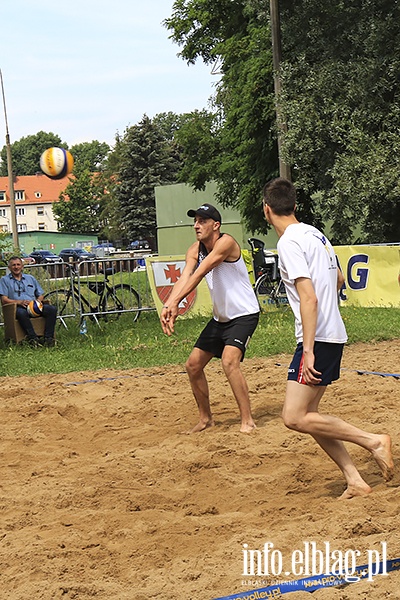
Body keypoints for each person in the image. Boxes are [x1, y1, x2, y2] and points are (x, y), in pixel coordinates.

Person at [262, 177, 394, 498]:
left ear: (267, 210)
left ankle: (373, 440)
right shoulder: (315, 233)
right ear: (295, 205)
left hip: (317, 337)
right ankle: (355, 480)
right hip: (331, 333)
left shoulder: (289, 242)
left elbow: (309, 297)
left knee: (293, 417)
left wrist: (307, 349)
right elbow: (338, 278)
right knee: (310, 417)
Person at [160, 203, 260, 433]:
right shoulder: (194, 249)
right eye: (195, 220)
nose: (196, 225)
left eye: (202, 221)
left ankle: (248, 420)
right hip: (220, 319)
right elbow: (185, 277)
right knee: (193, 366)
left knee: (229, 361)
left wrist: (176, 303)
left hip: (244, 314)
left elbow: (201, 272)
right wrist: (169, 304)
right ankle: (206, 419)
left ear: (216, 225)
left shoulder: (226, 243)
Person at [0, 256, 57, 347]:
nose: (16, 267)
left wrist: (38, 302)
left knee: (52, 309)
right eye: (13, 265)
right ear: (9, 268)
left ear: (22, 266)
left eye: (18, 264)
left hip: (33, 306)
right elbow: (4, 300)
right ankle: (33, 339)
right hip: (16, 308)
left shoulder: (30, 278)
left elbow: (40, 294)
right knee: (22, 313)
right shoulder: (4, 280)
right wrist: (19, 302)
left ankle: (48, 338)